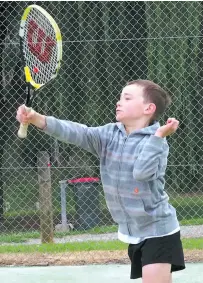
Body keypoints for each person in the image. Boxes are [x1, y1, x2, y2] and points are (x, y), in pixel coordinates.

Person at [16, 79, 185, 283]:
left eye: (127, 98)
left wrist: (158, 136)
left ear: (149, 108)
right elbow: (77, 132)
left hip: (158, 229)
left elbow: (141, 173)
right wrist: (36, 118)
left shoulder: (157, 142)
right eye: (120, 97)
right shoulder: (108, 134)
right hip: (132, 230)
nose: (119, 102)